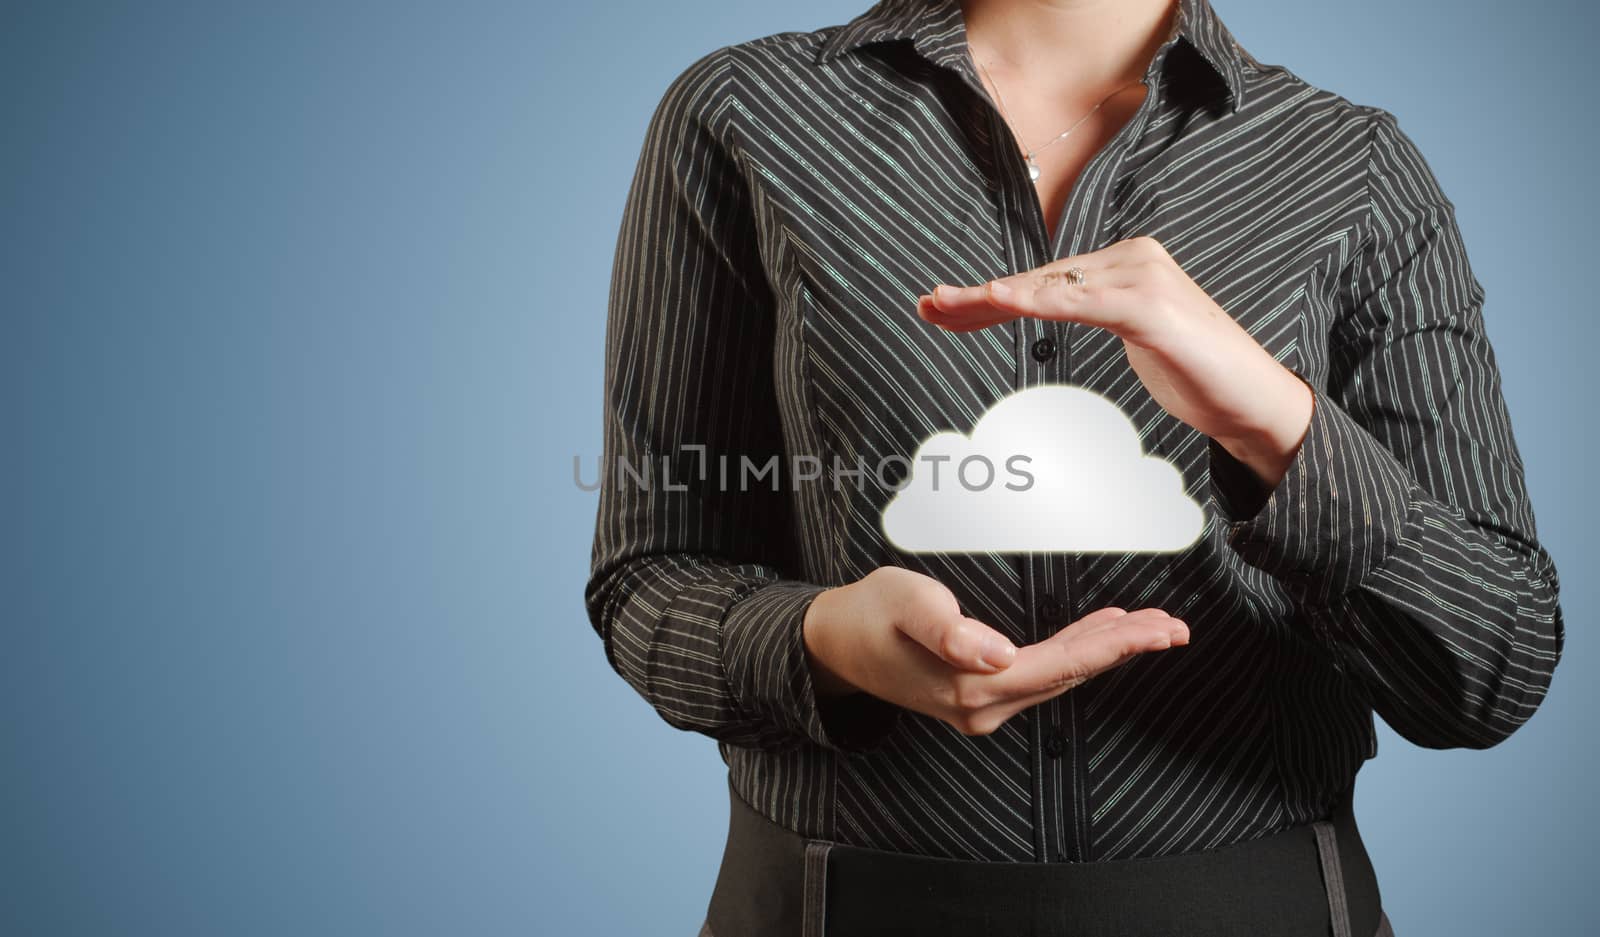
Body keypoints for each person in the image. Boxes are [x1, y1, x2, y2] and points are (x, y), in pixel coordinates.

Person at [584, 0, 1565, 933]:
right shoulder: (745, 113)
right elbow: (650, 577)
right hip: (831, 903)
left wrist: (1277, 424)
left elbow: (1493, 666)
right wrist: (822, 641)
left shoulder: (1354, 167)